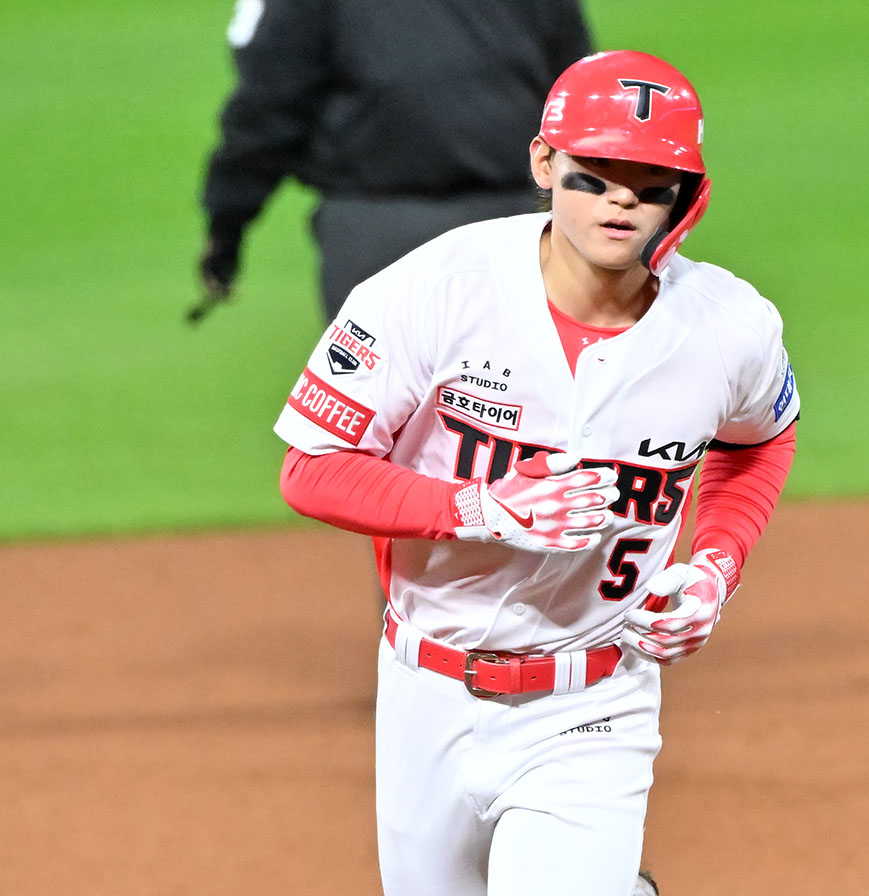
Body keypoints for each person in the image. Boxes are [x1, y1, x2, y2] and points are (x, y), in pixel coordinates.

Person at [272, 50, 799, 896]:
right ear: (544, 163)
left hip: (596, 697)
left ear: (685, 192)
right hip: (424, 693)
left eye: (652, 180)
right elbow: (312, 469)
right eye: (596, 174)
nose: (623, 198)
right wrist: (480, 506)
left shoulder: (729, 329)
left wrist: (716, 566)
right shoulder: (436, 291)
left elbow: (762, 439)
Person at [193, 0, 593, 324]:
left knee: (382, 417)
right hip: (518, 225)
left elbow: (269, 108)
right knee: (519, 411)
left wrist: (227, 223)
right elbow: (576, 95)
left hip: (376, 231)